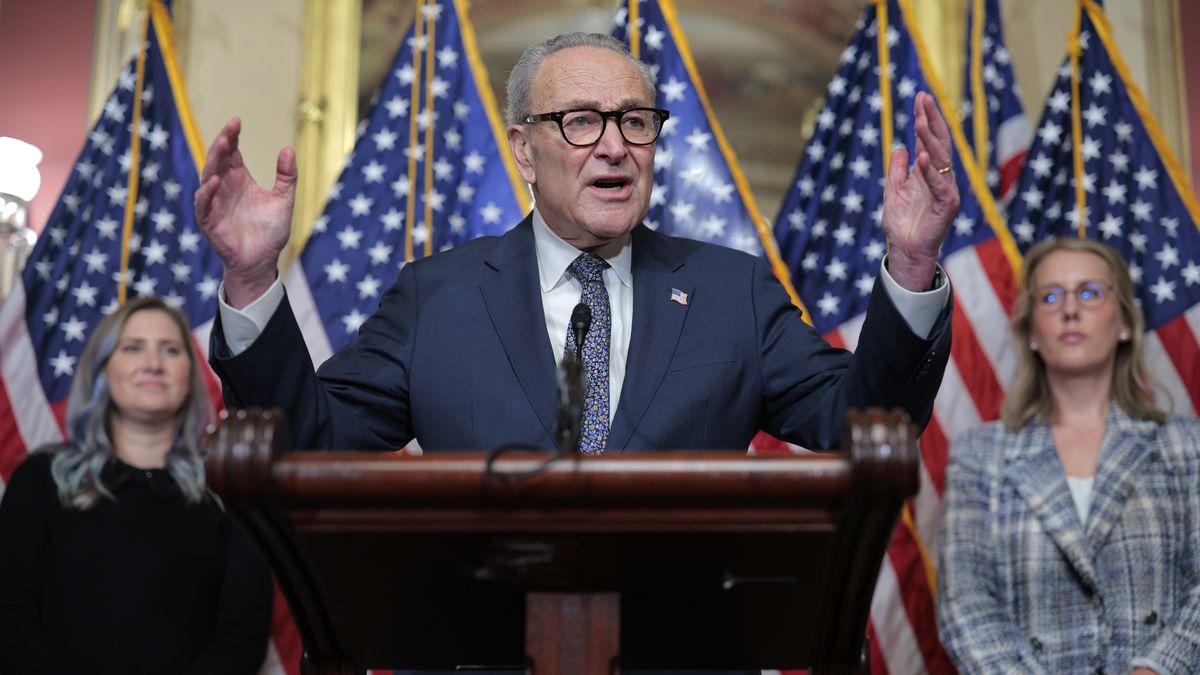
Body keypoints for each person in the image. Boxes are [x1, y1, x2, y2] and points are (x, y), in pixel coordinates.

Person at [195, 32, 959, 454]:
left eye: (636, 121)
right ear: (524, 151)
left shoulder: (733, 292)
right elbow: (310, 439)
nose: (616, 146)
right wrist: (255, 278)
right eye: (582, 122)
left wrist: (913, 264)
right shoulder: (438, 298)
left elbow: (868, 421)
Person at [936, 238, 1200, 674]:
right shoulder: (980, 456)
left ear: (1124, 324)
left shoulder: (1186, 446)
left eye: (1091, 293)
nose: (1070, 309)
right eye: (1051, 296)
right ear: (1032, 332)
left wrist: (1158, 669)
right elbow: (964, 605)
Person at [0, 297, 272, 674]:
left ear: (190, 375)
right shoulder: (41, 480)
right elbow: (9, 616)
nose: (153, 364)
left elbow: (243, 633)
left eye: (171, 350)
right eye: (132, 348)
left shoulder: (227, 490)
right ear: (102, 370)